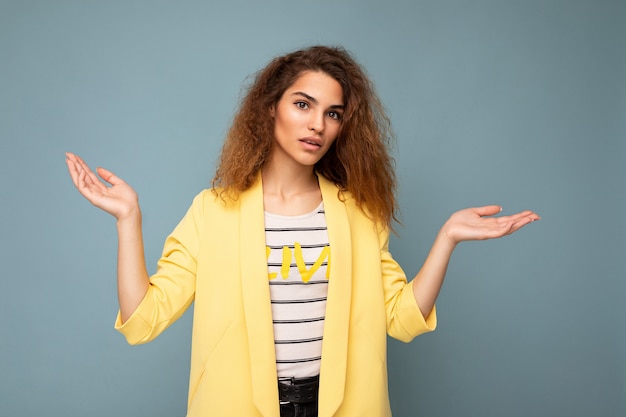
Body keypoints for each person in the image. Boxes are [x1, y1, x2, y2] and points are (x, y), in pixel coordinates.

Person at [65, 45, 539, 417]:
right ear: (270, 109)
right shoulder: (214, 212)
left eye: (332, 113)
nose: (317, 124)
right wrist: (129, 220)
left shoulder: (358, 214)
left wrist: (447, 239)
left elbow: (402, 319)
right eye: (303, 104)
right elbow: (142, 321)